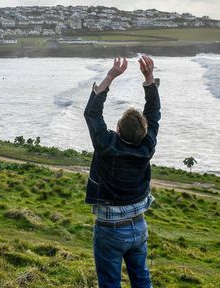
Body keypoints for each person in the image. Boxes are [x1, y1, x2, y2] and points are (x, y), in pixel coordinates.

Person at [84, 56, 160, 288]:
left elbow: (92, 114)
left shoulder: (107, 145)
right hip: (138, 225)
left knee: (110, 284)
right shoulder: (147, 146)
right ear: (145, 131)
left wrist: (111, 76)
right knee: (141, 279)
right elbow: (154, 112)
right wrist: (148, 78)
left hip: (110, 229)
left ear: (117, 129)